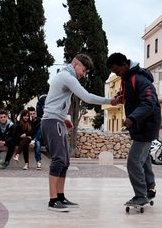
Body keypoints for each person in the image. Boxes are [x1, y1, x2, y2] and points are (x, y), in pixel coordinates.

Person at [41, 53, 118, 212]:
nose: (84, 74)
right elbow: (87, 97)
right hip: (52, 121)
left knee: (65, 161)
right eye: (83, 70)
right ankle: (53, 200)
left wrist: (65, 117)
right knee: (58, 160)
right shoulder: (67, 77)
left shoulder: (65, 76)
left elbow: (57, 100)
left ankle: (60, 197)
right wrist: (110, 101)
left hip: (57, 120)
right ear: (75, 64)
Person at [106, 52, 161, 207]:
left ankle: (140, 195)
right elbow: (131, 96)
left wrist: (132, 118)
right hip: (141, 125)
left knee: (133, 161)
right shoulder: (128, 79)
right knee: (143, 160)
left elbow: (149, 102)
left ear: (125, 64)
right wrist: (121, 96)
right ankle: (150, 189)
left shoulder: (140, 79)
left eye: (117, 71)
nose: (117, 74)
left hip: (146, 125)